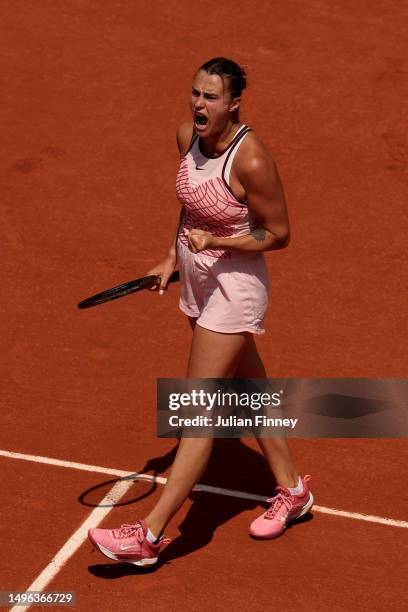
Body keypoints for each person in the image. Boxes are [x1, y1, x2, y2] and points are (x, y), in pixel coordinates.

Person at [88, 57, 313, 567]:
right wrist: (173, 256)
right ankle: (293, 490)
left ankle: (149, 536)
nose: (198, 104)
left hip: (235, 286)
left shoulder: (250, 159)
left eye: (211, 97)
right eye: (195, 93)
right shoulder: (186, 136)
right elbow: (190, 205)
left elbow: (278, 234)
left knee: (196, 412)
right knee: (250, 388)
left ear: (234, 103)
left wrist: (217, 239)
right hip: (196, 276)